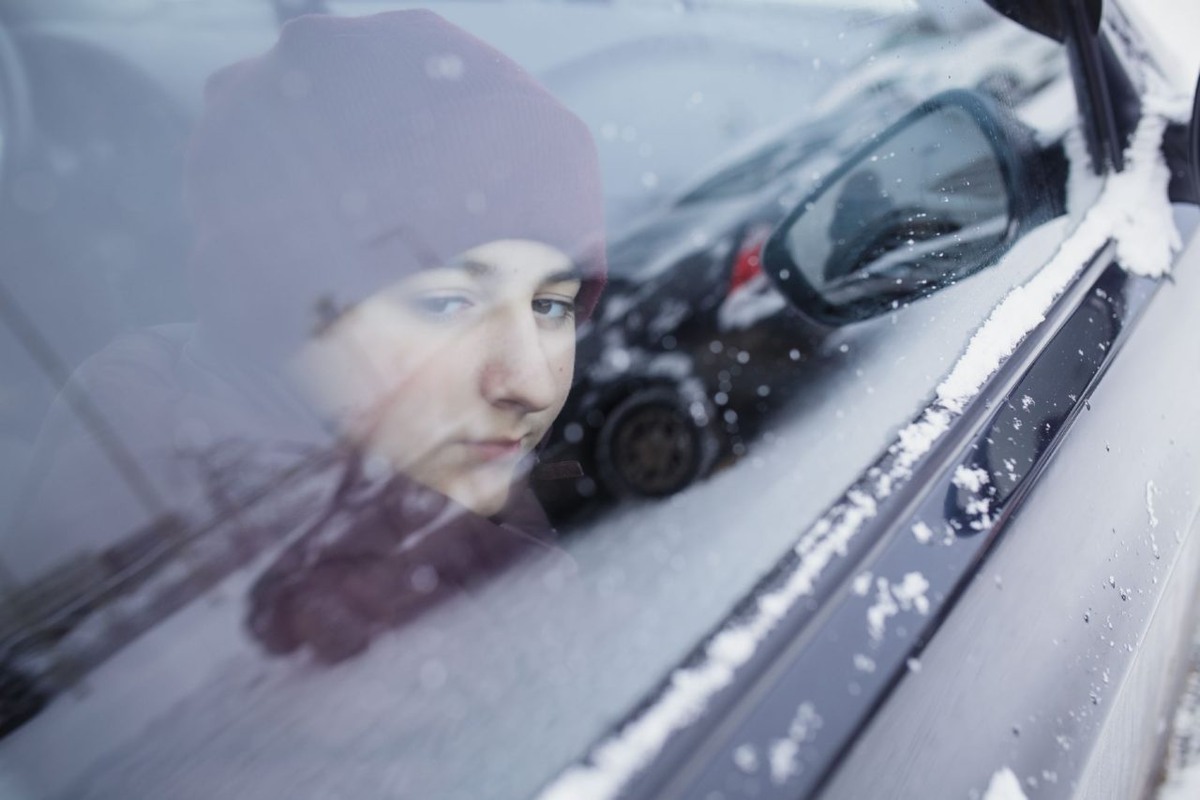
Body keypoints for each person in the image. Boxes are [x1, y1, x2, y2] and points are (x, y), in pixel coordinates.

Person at [11, 10, 606, 667]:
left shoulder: (422, 462)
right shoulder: (179, 514)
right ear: (285, 317)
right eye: (446, 304)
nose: (529, 381)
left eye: (552, 306)